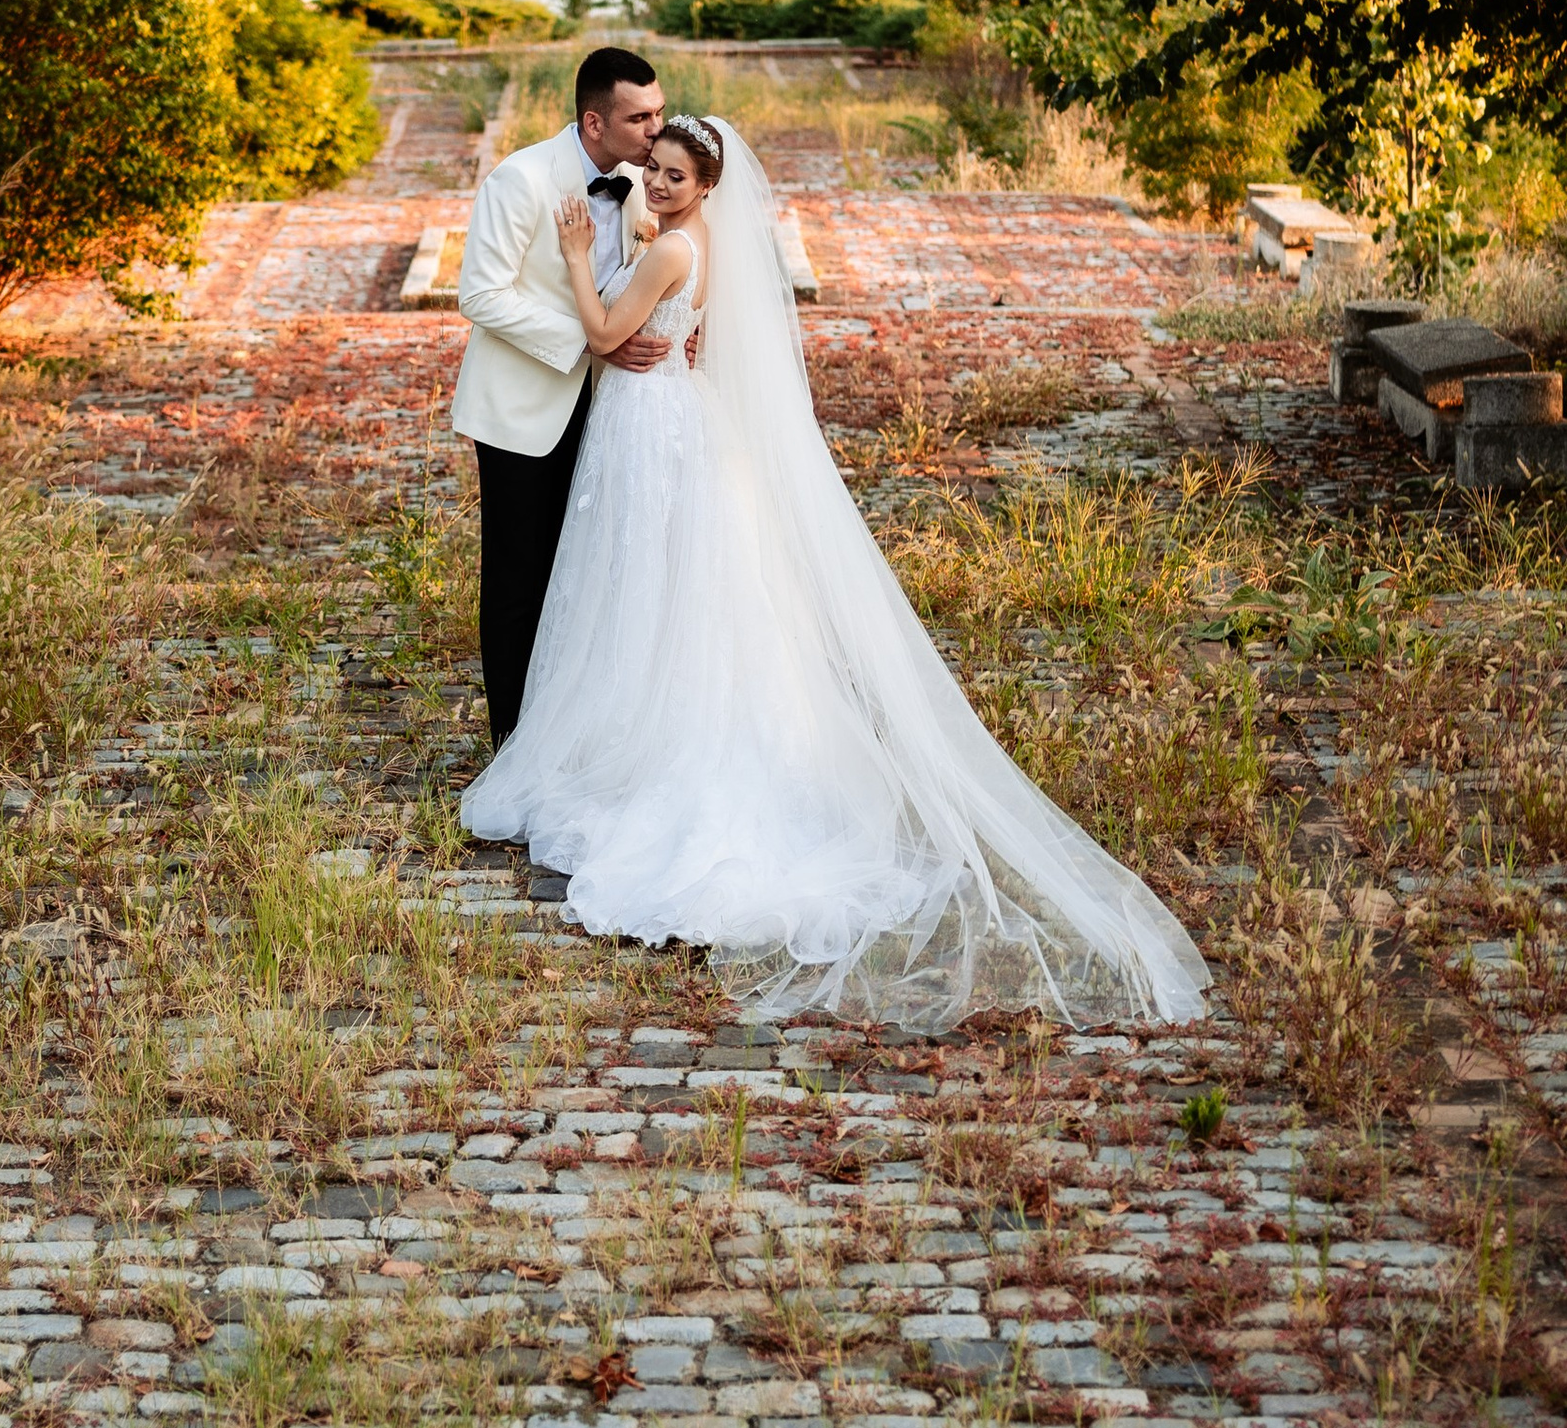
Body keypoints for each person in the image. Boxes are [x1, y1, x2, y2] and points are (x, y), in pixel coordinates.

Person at [461, 115, 1209, 1028]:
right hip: (670, 418)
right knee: (661, 592)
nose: (653, 184)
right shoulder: (696, 245)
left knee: (638, 586)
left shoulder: (665, 253)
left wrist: (581, 256)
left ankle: (637, 744)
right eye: (651, 168)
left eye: (670, 174)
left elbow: (603, 326)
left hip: (646, 422)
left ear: (705, 186)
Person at [452, 44, 674, 753]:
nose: (655, 130)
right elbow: (480, 294)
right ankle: (511, 742)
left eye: (660, 113)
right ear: (594, 121)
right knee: (520, 575)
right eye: (640, 118)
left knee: (589, 567)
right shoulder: (519, 181)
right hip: (522, 407)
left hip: (611, 407)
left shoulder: (639, 187)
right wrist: (594, 342)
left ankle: (569, 727)